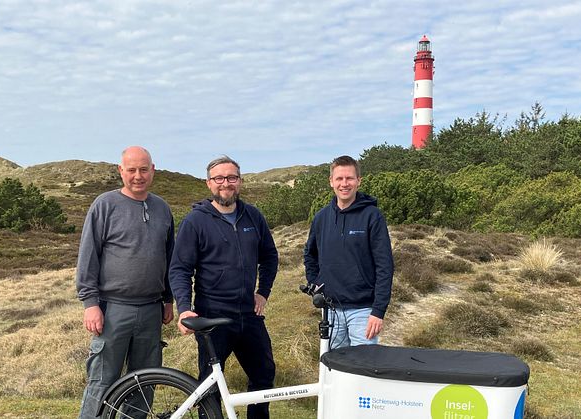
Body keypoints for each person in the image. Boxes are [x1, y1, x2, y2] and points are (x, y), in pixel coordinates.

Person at [170, 155, 278, 419]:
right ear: (209, 183)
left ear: (239, 182)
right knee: (210, 385)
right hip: (212, 315)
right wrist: (184, 309)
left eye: (231, 178)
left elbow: (270, 256)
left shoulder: (253, 216)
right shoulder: (195, 221)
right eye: (219, 178)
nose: (225, 183)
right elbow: (180, 269)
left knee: (264, 375)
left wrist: (263, 292)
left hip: (249, 315)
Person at [76, 146, 175, 418]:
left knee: (144, 383)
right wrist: (90, 303)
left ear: (153, 170)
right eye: (131, 170)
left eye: (144, 169)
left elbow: (169, 258)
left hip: (151, 310)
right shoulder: (104, 205)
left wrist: (168, 299)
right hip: (112, 310)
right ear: (121, 171)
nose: (138, 176)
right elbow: (88, 257)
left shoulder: (163, 208)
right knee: (102, 382)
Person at [304, 155, 393, 349]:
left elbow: (385, 265)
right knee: (336, 371)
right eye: (339, 179)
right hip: (331, 310)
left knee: (363, 371)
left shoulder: (373, 216)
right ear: (331, 182)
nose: (344, 184)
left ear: (358, 181)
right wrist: (315, 284)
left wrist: (378, 311)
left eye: (349, 178)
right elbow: (309, 255)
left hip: (363, 311)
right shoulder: (321, 218)